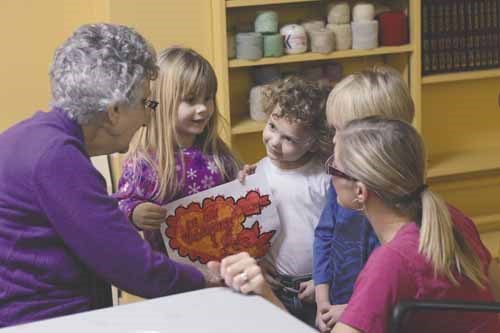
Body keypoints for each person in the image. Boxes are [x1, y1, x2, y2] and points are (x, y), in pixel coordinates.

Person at [0, 24, 209, 327]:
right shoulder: (57, 159)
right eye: (146, 104)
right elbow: (134, 268)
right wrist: (207, 278)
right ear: (113, 112)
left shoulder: (28, 137)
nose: (149, 116)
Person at [327, 117, 498, 332]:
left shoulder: (391, 262)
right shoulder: (450, 216)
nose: (330, 175)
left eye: (333, 167)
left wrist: (270, 298)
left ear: (360, 191)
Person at [313, 66, 415, 332]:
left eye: (342, 131)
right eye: (333, 130)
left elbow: (395, 288)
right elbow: (324, 235)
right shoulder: (340, 187)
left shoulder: (398, 212)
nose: (334, 139)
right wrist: (321, 295)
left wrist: (351, 309)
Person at [114, 47, 240, 255]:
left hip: (223, 267)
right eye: (190, 100)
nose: (203, 108)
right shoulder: (144, 162)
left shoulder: (217, 155)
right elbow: (119, 206)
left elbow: (239, 199)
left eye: (208, 98)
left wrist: (246, 179)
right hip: (172, 276)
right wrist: (133, 213)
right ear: (160, 104)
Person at [251, 76, 333, 325]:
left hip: (316, 287)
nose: (275, 142)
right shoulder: (256, 172)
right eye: (272, 127)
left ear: (313, 143)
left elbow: (339, 236)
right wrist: (257, 262)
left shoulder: (324, 178)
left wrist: (323, 281)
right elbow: (251, 229)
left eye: (290, 139)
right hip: (275, 285)